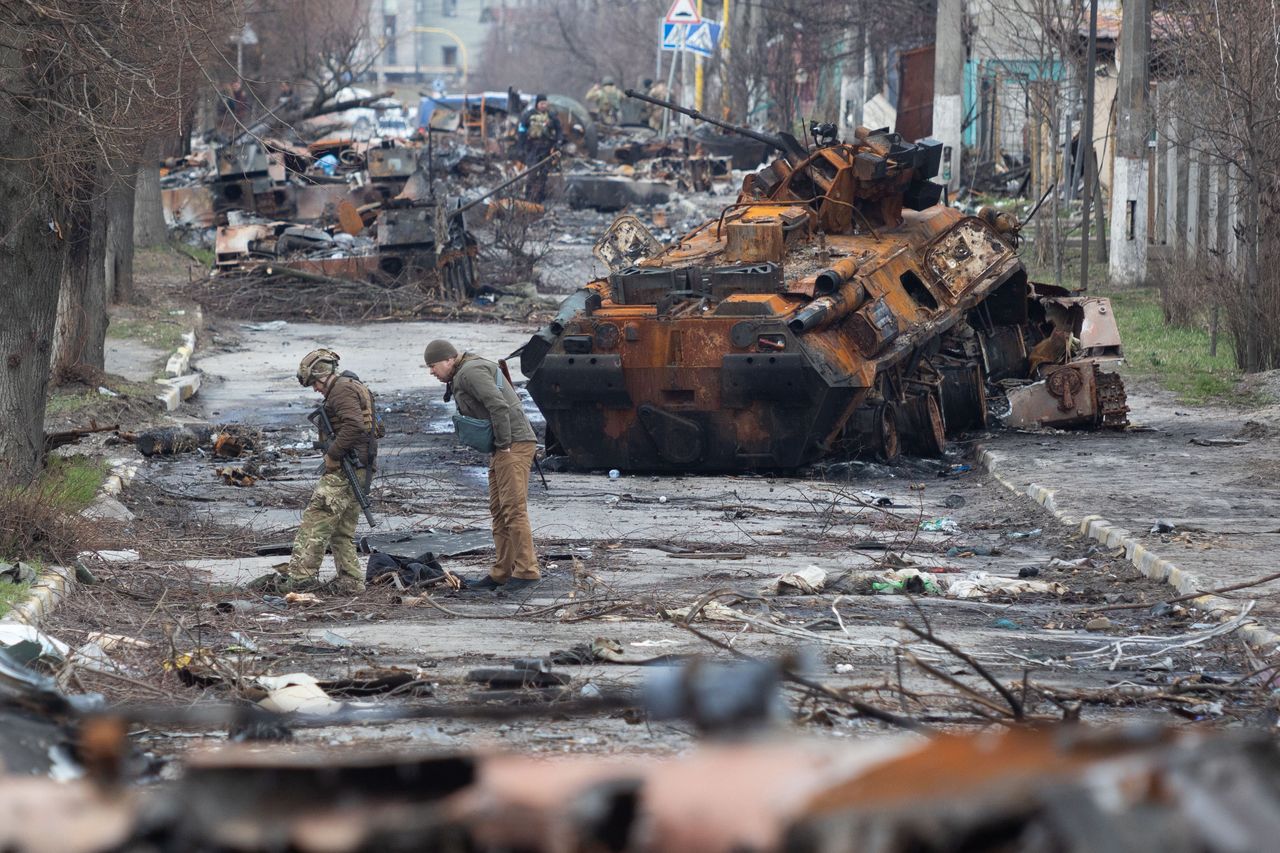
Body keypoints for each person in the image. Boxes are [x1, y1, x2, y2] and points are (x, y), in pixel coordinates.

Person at [424, 339, 541, 593]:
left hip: (513, 443)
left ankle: (527, 571)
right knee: (499, 509)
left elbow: (497, 404)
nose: (431, 372)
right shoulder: (463, 372)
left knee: (513, 509)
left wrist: (505, 443)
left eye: (433, 366)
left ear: (448, 360)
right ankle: (502, 572)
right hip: (504, 446)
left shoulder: (470, 372)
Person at [280, 349, 380, 594]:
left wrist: (333, 454)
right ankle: (351, 581)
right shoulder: (350, 385)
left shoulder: (341, 391)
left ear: (323, 374)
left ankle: (300, 580)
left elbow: (355, 426)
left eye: (315, 383)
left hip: (347, 467)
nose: (315, 389)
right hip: (360, 467)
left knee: (316, 521)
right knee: (341, 531)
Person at [516, 94, 563, 203]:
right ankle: (528, 198)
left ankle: (539, 200)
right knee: (532, 173)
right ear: (537, 104)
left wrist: (558, 142)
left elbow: (559, 130)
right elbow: (521, 131)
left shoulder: (552, 116)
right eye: (541, 103)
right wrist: (521, 147)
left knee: (543, 175)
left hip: (546, 148)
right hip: (532, 148)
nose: (543, 105)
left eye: (545, 103)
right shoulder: (528, 115)